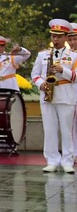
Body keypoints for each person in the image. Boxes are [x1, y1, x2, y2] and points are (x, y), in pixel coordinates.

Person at [32, 19, 77, 173]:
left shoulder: (74, 55)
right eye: (53, 36)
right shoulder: (43, 54)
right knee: (50, 129)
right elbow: (35, 75)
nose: (55, 40)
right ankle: (51, 160)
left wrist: (62, 70)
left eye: (59, 37)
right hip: (47, 95)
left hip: (65, 95)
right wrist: (41, 84)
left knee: (67, 130)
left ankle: (67, 161)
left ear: (65, 37)